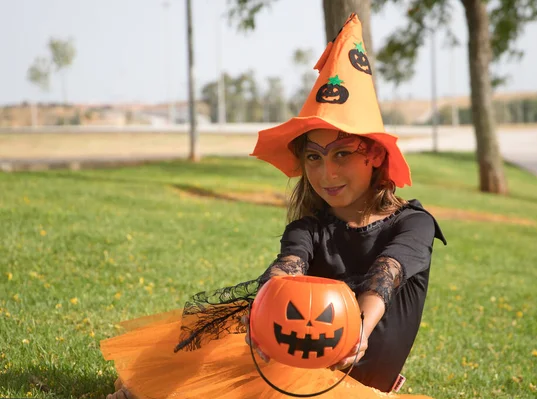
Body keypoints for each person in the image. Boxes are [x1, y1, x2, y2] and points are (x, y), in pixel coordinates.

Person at [101, 13, 445, 399]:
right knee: (202, 369)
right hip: (291, 367)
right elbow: (285, 271)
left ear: (375, 157)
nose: (326, 172)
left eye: (342, 154)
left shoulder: (413, 224)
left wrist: (358, 331)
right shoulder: (309, 229)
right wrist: (263, 316)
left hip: (353, 386)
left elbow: (384, 278)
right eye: (313, 157)